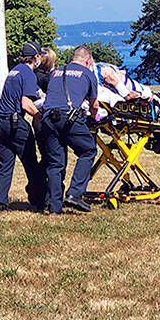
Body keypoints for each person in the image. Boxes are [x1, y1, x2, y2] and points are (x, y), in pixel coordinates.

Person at [37, 45, 100, 213]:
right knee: (88, 150)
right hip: (69, 119)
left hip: (48, 119)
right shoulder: (88, 74)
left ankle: (55, 207)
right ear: (87, 60)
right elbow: (94, 105)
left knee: (55, 164)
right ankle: (75, 193)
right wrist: (94, 118)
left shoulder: (55, 72)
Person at [0, 42, 46, 212]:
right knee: (31, 163)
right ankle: (40, 200)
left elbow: (35, 92)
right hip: (14, 123)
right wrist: (41, 117)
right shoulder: (29, 74)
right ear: (36, 57)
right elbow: (26, 104)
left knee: (5, 164)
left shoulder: (14, 71)